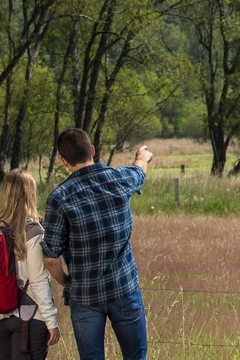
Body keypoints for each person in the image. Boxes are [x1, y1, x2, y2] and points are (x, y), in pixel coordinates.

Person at [42, 128, 152, 360]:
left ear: (64, 161)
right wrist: (142, 156)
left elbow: (51, 258)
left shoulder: (59, 198)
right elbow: (139, 171)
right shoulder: (119, 179)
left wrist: (66, 281)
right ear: (92, 150)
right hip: (124, 287)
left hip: (84, 295)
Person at [0, 170, 60, 359]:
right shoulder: (33, 231)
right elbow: (38, 280)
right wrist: (51, 321)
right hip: (28, 316)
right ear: (29, 195)